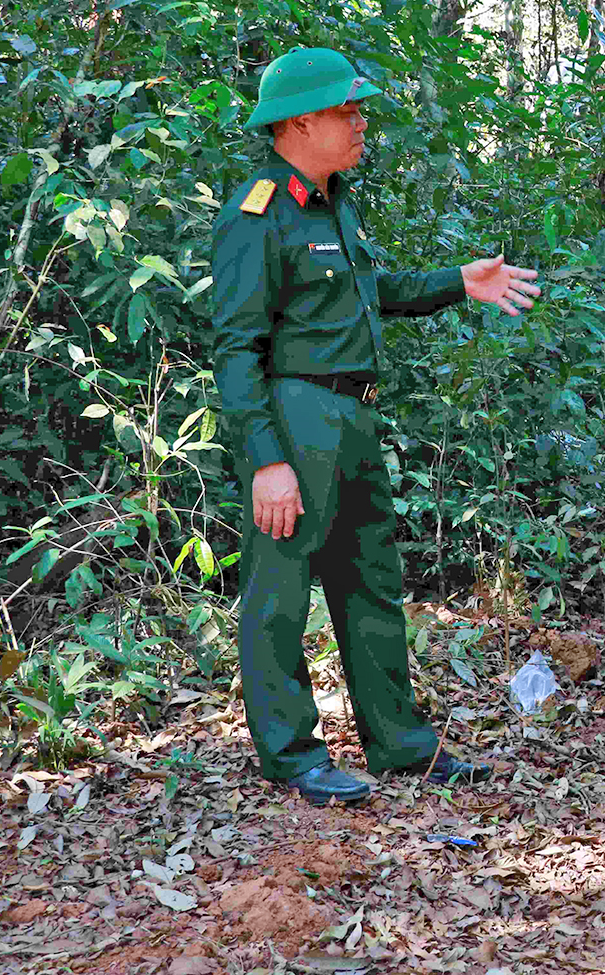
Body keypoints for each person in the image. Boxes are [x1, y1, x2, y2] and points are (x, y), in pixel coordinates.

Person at [210, 47, 539, 805]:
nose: (361, 124)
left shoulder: (336, 200)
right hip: (295, 418)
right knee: (281, 592)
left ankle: (401, 744)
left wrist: (460, 283)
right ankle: (294, 756)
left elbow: (367, 293)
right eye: (347, 112)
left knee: (372, 587)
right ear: (299, 121)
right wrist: (266, 459)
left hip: (354, 417)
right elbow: (235, 349)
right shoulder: (257, 213)